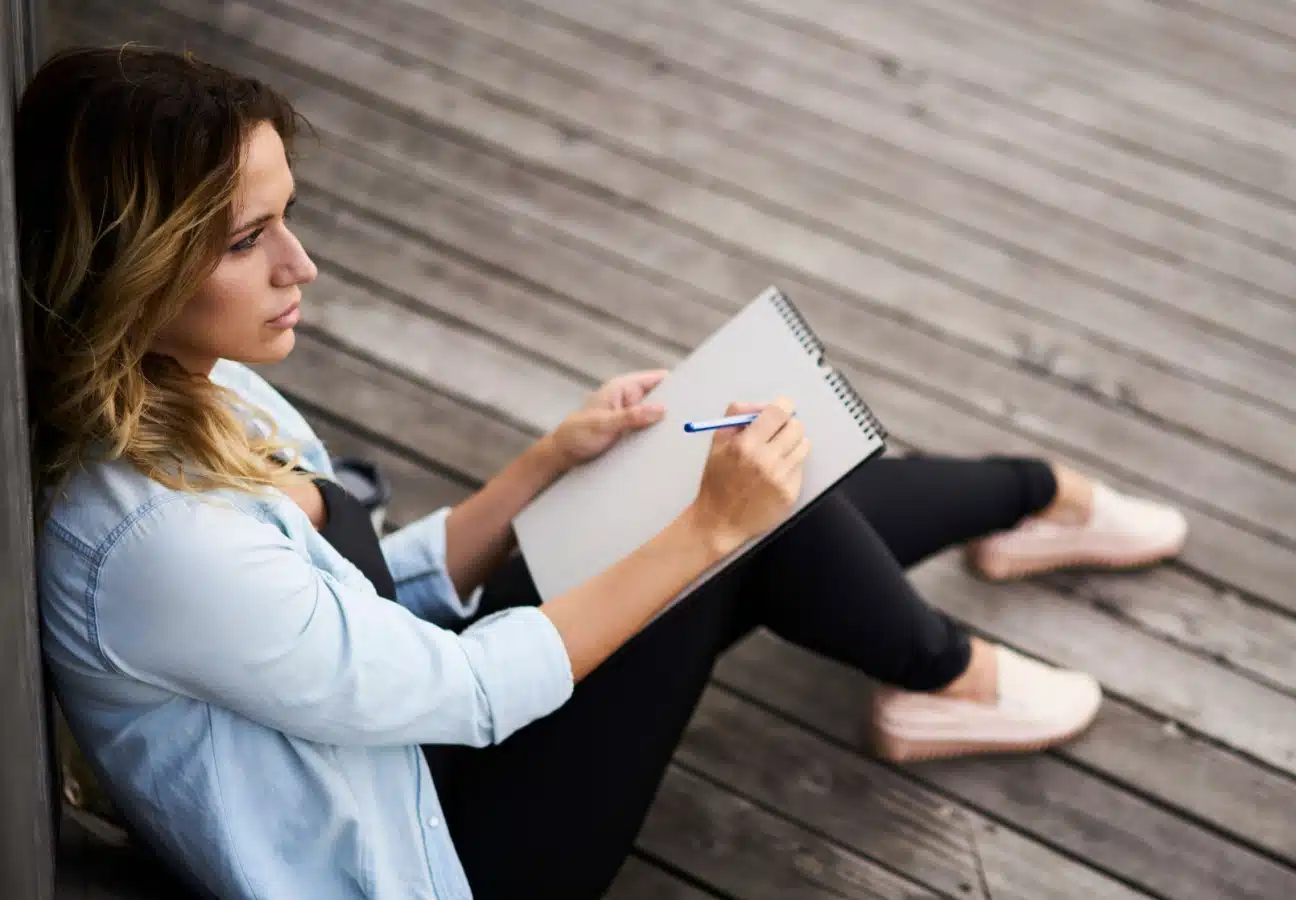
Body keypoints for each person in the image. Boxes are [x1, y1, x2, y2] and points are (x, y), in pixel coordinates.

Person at [22, 45, 1188, 900]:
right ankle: (956, 647)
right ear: (133, 265)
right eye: (246, 241)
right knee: (725, 510)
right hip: (441, 862)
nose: (301, 265)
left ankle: (1022, 510)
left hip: (401, 752)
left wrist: (542, 467)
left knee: (709, 473)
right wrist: (705, 533)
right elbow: (466, 692)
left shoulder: (197, 381)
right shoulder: (160, 542)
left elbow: (362, 608)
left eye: (290, 218)